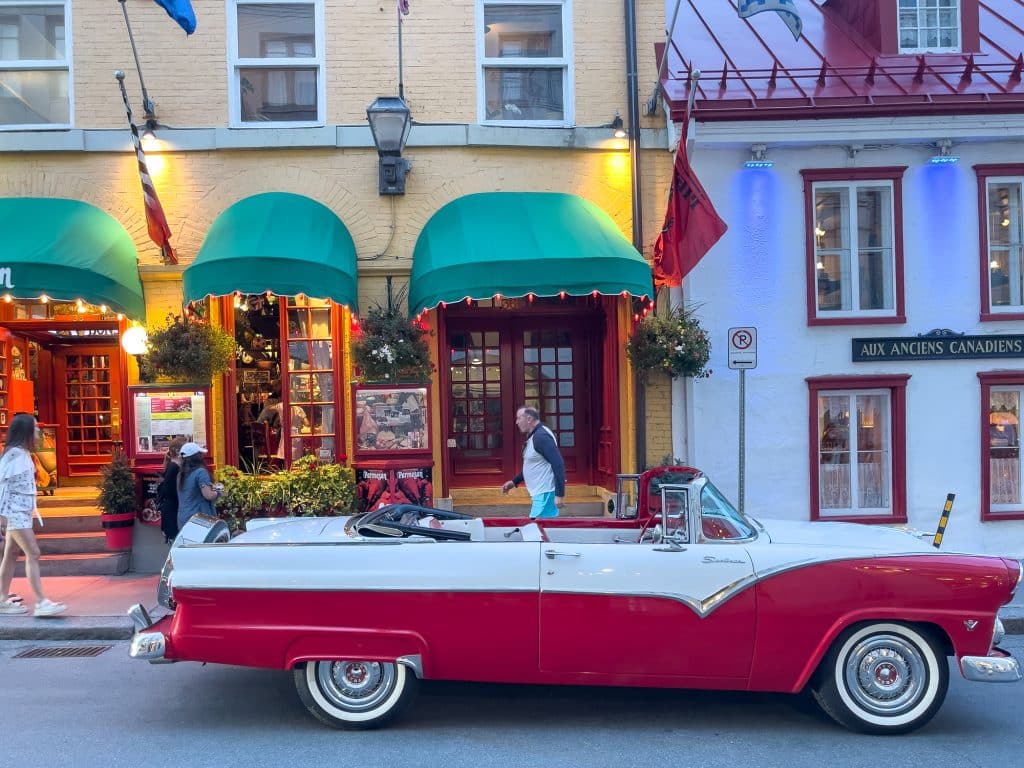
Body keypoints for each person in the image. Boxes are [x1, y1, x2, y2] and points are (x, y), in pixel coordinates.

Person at [0, 413, 66, 616]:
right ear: (27, 432)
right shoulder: (14, 456)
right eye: (36, 429)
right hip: (15, 513)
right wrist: (2, 515)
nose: (38, 433)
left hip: (20, 513)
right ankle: (41, 602)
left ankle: (2, 599)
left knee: (11, 554)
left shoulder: (20, 454)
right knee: (33, 553)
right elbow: (3, 486)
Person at [501, 406, 566, 519]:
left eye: (518, 418)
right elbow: (532, 465)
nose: (516, 422)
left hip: (546, 494)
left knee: (537, 530)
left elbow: (558, 464)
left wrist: (559, 494)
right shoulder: (535, 435)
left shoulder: (541, 437)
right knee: (540, 531)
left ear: (529, 419)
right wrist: (514, 482)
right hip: (541, 494)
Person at [176, 442, 222, 531]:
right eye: (200, 454)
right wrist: (219, 492)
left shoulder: (180, 474)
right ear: (197, 457)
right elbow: (208, 495)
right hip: (199, 519)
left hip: (183, 518)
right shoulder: (201, 472)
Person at [258, 388, 310, 461]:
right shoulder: (299, 409)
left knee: (286, 454)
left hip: (286, 432)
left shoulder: (281, 406)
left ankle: (286, 468)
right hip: (297, 434)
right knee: (297, 456)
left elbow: (269, 409)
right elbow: (307, 423)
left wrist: (272, 403)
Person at [157, 436, 187, 544]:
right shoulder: (174, 468)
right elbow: (170, 491)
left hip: (172, 511)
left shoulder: (173, 466)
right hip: (172, 512)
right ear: (178, 451)